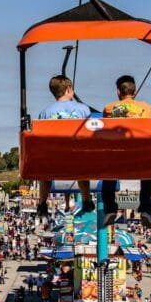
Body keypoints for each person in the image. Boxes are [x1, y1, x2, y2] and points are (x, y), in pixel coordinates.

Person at [36, 75, 95, 218]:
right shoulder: (83, 109)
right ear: (69, 89)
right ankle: (86, 199)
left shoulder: (45, 113)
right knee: (83, 170)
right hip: (77, 157)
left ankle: (42, 203)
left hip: (54, 158)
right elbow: (90, 132)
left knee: (45, 174)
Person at [101, 75, 151, 227]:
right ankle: (145, 208)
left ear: (118, 92)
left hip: (117, 157)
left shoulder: (109, 108)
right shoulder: (147, 109)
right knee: (147, 177)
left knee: (108, 175)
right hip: (141, 156)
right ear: (135, 91)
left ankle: (110, 209)